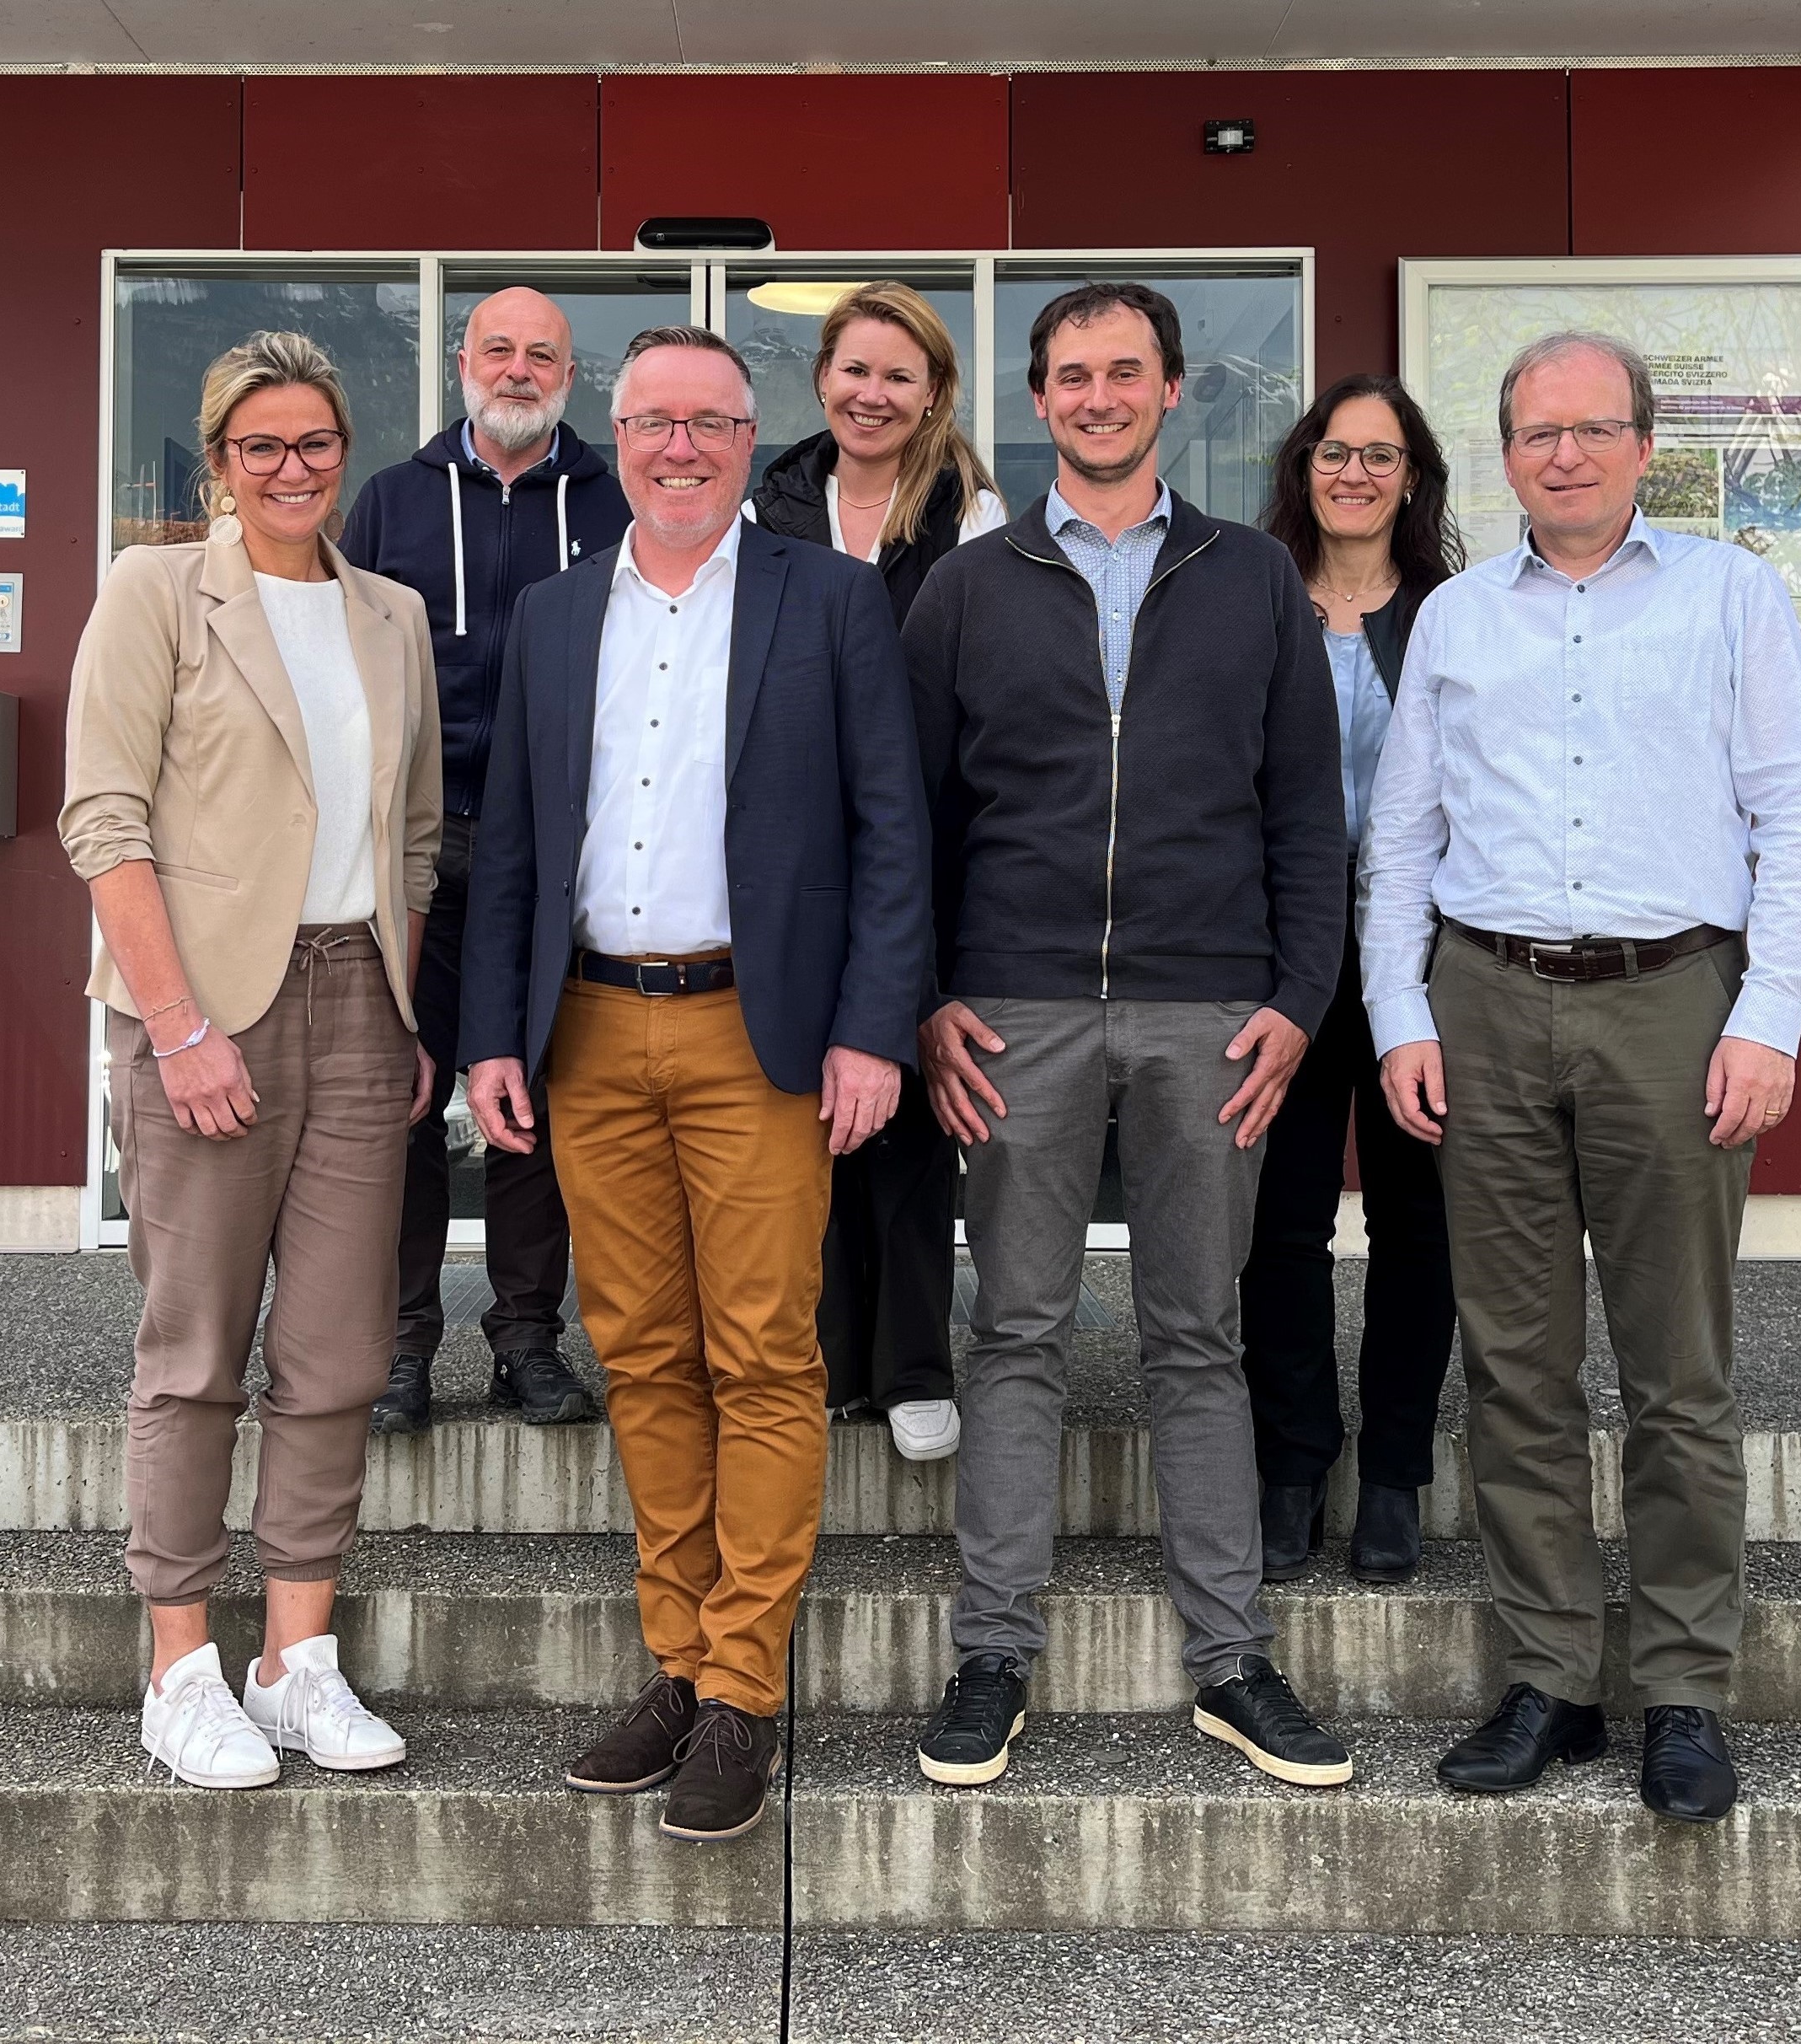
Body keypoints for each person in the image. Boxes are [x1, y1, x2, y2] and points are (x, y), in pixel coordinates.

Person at [1359, 330, 1801, 1825]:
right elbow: (1402, 838)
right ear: (1503, 456)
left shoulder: (1731, 597)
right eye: (1535, 433)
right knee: (1514, 1366)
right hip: (1484, 1003)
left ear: (1643, 443)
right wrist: (1397, 1013)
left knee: (1676, 1371)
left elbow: (1793, 820)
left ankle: (1684, 1686)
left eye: (1591, 428)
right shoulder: (1454, 617)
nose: (1562, 455)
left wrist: (1768, 1015)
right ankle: (1551, 1678)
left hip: (1672, 1003)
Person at [460, 325, 930, 1843]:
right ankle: (676, 1660)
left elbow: (891, 832)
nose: (680, 448)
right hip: (592, 1033)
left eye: (711, 424)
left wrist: (872, 1031)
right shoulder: (551, 613)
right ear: (619, 439)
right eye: (655, 422)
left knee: (764, 1357)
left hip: (756, 1034)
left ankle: (743, 1685)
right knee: (644, 1354)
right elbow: (513, 845)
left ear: (748, 441)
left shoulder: (830, 598)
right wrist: (490, 1036)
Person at [906, 282, 1353, 1792]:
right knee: (1016, 1331)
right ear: (1039, 400)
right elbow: (913, 818)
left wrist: (1295, 1002)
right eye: (1072, 374)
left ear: (1170, 390)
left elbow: (1306, 812)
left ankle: (1232, 1661)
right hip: (1013, 1011)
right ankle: (991, 1654)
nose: (1098, 395)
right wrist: (927, 998)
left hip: (1208, 1010)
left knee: (1197, 1336)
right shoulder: (968, 587)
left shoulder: (1253, 578)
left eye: (1125, 371)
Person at [60, 330, 444, 1789]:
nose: (293, 468)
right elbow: (104, 818)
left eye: (316, 442)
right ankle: (180, 1670)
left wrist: (401, 1007)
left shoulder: (391, 613)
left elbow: (414, 836)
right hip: (205, 1004)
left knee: (339, 1354)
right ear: (219, 461)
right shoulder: (155, 592)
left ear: (345, 452)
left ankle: (295, 1661)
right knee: (196, 1351)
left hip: (358, 1002)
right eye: (261, 445)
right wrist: (177, 1024)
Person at [340, 287, 633, 1437]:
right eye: (498, 349)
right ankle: (401, 1343)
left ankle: (525, 1339)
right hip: (419, 844)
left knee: (536, 1101)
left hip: (560, 853)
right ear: (462, 362)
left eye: (541, 355)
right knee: (403, 1099)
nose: (517, 370)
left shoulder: (615, 502)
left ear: (570, 375)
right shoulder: (390, 501)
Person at [748, 281, 1008, 1463]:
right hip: (796, 842)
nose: (873, 393)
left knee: (902, 1102)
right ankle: (829, 1353)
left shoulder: (972, 511)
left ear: (934, 392)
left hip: (927, 838)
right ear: (821, 379)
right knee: (804, 1102)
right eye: (855, 369)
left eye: (900, 375)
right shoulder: (772, 502)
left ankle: (911, 1363)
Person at [1238, 375, 1463, 1587]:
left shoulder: (1452, 614)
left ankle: (1393, 1474)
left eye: (1380, 455)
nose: (1355, 474)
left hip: (1419, 962)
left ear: (1411, 476)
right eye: (1334, 451)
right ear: (1304, 468)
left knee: (1417, 1224)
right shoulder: (1253, 596)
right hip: (1282, 958)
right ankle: (1290, 1464)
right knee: (1281, 1223)